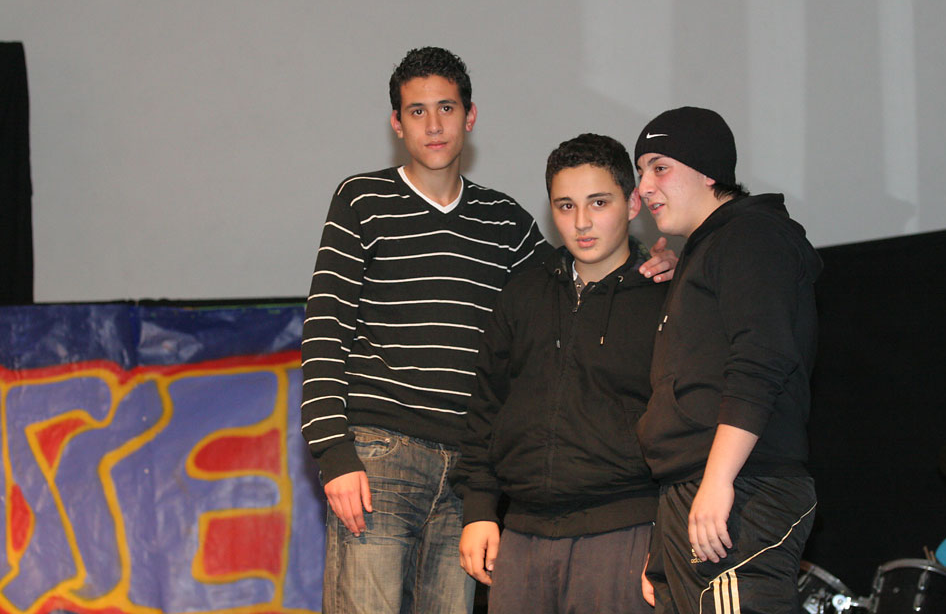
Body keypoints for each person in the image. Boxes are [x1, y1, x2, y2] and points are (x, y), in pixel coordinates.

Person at [300, 48, 675, 613]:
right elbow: (325, 329)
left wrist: (656, 261)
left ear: (470, 116)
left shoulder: (506, 222)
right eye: (417, 111)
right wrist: (334, 453)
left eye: (446, 107)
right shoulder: (361, 200)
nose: (433, 124)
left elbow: (585, 267)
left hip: (467, 474)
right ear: (397, 123)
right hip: (379, 458)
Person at [454, 133, 665, 613]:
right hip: (522, 534)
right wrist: (480, 509)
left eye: (599, 202)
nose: (582, 222)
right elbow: (486, 407)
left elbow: (688, 429)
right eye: (566, 206)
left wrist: (668, 535)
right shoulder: (523, 293)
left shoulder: (664, 298)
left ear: (633, 203)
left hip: (624, 531)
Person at [633, 106, 821, 614]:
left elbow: (760, 360)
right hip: (693, 490)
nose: (645, 187)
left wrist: (719, 482)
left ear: (708, 171)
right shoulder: (707, 251)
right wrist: (665, 534)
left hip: (742, 486)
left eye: (660, 167)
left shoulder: (752, 235)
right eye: (641, 171)